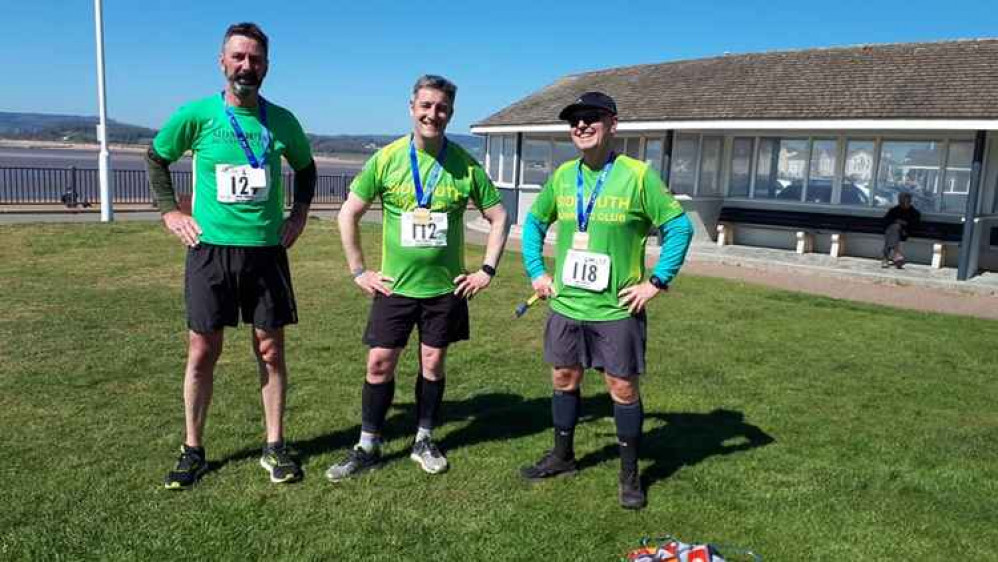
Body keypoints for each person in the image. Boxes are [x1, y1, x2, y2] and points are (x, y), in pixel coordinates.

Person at [146, 22, 317, 489]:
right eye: (238, 57)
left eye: (255, 59)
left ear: (266, 66)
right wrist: (169, 214)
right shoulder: (197, 115)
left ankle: (275, 445)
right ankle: (193, 449)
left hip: (265, 253)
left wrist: (298, 216)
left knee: (270, 349)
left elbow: (306, 167)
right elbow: (156, 158)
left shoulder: (281, 121)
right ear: (222, 62)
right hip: (210, 251)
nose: (247, 66)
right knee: (203, 350)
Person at [326, 75, 508, 481]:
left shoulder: (465, 165)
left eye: (441, 108)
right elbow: (348, 213)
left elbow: (498, 216)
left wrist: (487, 269)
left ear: (451, 113)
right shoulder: (387, 159)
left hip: (444, 290)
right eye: (426, 106)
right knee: (378, 363)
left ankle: (424, 439)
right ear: (412, 107)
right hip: (395, 287)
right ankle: (367, 444)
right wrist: (358, 270)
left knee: (433, 363)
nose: (433, 114)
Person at [518, 92, 694, 509]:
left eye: (590, 118)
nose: (581, 125)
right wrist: (538, 273)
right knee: (564, 378)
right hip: (566, 306)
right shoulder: (563, 176)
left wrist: (656, 282)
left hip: (616, 310)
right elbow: (533, 223)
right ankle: (562, 457)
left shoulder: (637, 176)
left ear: (612, 124)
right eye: (574, 120)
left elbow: (680, 228)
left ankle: (630, 475)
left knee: (621, 386)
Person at [882, 192, 920, 269]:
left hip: (904, 233)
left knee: (892, 231)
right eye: (902, 201)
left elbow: (915, 225)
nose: (905, 203)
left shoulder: (914, 212)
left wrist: (904, 223)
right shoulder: (894, 210)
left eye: (907, 201)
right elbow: (885, 221)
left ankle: (886, 258)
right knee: (893, 229)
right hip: (893, 232)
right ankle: (896, 254)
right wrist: (896, 222)